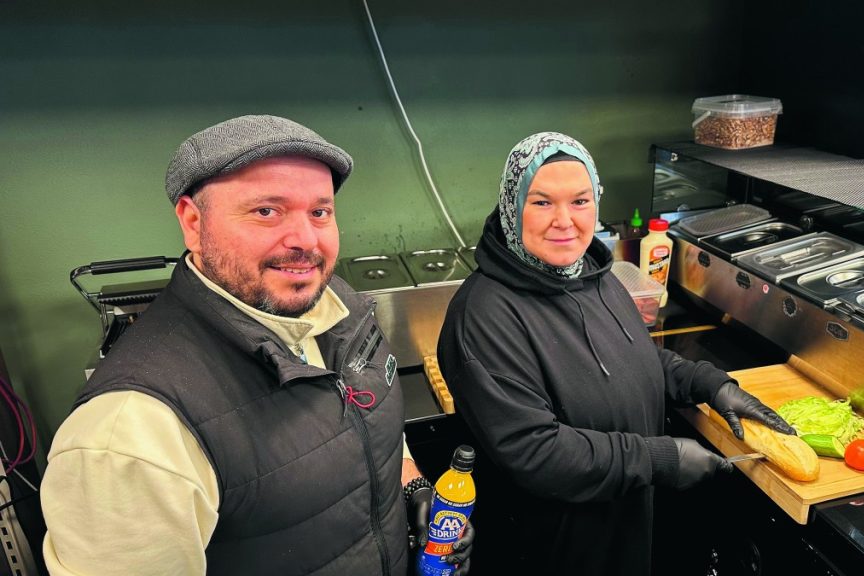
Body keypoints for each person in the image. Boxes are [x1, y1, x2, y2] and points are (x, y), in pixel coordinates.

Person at [40, 115, 472, 576]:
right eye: (267, 211)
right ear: (192, 222)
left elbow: (365, 416)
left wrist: (410, 486)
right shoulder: (129, 434)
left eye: (320, 212)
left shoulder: (336, 301)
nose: (305, 240)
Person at [436, 132, 794, 576]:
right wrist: (659, 459)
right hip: (558, 550)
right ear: (512, 206)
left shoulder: (593, 274)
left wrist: (709, 384)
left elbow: (634, 357)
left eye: (580, 201)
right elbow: (536, 453)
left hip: (625, 528)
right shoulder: (483, 316)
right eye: (542, 202)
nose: (565, 221)